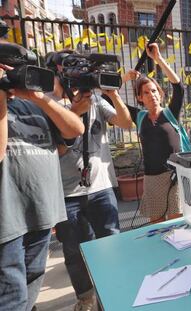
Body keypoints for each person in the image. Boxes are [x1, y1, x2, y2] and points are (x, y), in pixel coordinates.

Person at [45, 50, 133, 310]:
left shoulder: (96, 99)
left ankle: (114, 290)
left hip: (101, 187)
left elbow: (125, 123)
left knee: (111, 241)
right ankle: (85, 297)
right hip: (66, 192)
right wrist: (74, 110)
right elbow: (57, 143)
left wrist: (113, 93)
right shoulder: (49, 102)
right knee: (74, 250)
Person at [0, 60, 84, 310]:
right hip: (8, 219)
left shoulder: (35, 104)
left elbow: (74, 129)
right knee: (11, 296)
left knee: (30, 287)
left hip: (41, 213)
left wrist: (38, 97)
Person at [123, 43, 184, 223]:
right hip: (152, 178)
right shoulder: (139, 116)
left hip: (175, 176)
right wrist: (125, 78)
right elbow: (107, 99)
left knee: (176, 223)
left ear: (160, 93)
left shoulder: (170, 112)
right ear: (140, 98)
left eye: (155, 90)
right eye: (146, 92)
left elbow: (179, 88)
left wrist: (158, 60)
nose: (152, 95)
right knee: (157, 226)